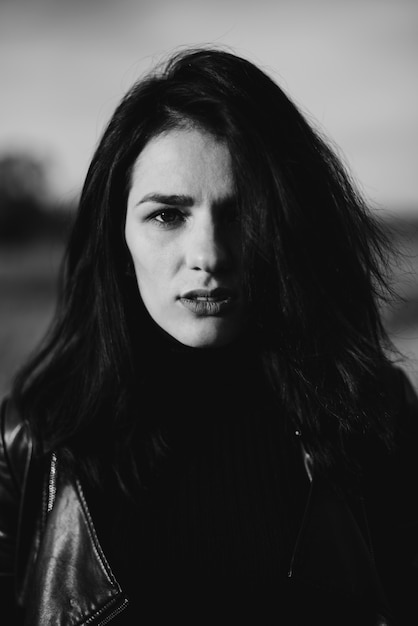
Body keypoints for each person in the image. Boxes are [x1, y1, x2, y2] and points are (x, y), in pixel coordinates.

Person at [1, 46, 417, 625]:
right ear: (117, 237)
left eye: (241, 213)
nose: (209, 256)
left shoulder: (376, 417)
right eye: (167, 215)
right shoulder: (32, 439)